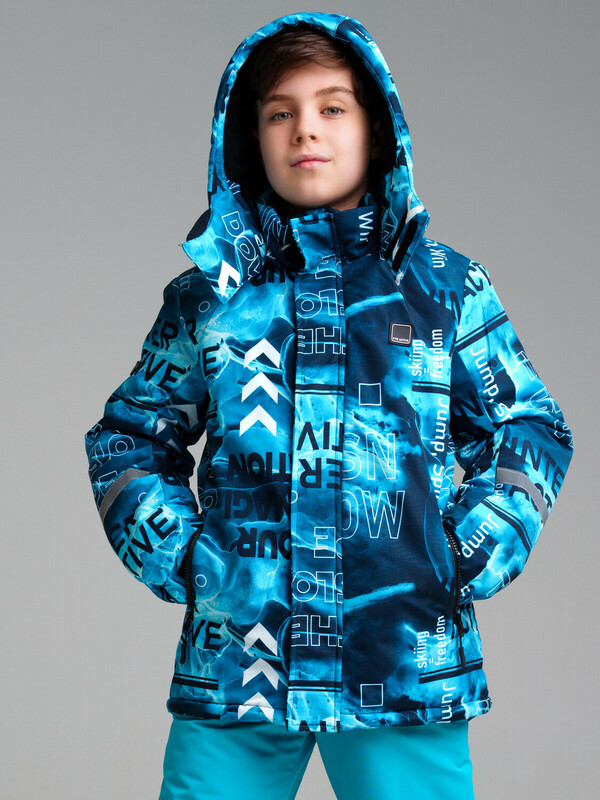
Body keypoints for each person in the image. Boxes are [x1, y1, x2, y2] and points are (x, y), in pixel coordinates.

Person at [84, 12, 573, 800]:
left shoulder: (446, 289)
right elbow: (129, 437)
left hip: (403, 661)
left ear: (377, 131)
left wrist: (464, 551)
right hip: (240, 662)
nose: (305, 129)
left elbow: (530, 427)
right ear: (250, 138)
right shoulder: (211, 298)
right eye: (280, 112)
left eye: (332, 107)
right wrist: (187, 559)